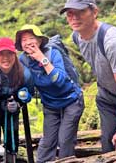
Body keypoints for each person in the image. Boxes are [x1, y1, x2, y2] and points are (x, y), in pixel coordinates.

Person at [60, 0, 116, 153]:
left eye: (80, 12)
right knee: (108, 149)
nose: (74, 17)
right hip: (107, 98)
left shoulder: (113, 42)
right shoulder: (77, 37)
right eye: (70, 13)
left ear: (95, 12)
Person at [15, 24, 84, 163]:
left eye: (31, 38)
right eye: (23, 40)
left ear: (39, 41)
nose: (28, 42)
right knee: (47, 143)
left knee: (65, 141)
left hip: (71, 101)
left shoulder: (53, 53)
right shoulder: (23, 60)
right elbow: (23, 82)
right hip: (51, 104)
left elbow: (58, 80)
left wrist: (42, 59)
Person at [0, 37, 34, 162]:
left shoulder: (24, 74)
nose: (6, 58)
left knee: (12, 138)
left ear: (14, 54)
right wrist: (0, 105)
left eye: (9, 53)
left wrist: (19, 103)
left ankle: (12, 158)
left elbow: (28, 93)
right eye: (1, 54)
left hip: (12, 110)